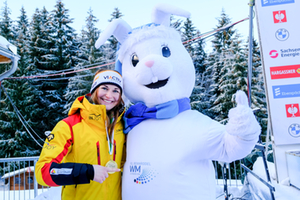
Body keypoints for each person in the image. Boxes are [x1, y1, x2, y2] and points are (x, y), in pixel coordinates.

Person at [35, 69, 126, 200]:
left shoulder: (122, 126)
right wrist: (88, 171)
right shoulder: (69, 126)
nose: (109, 95)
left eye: (115, 91)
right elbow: (43, 172)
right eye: (104, 88)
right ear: (95, 90)